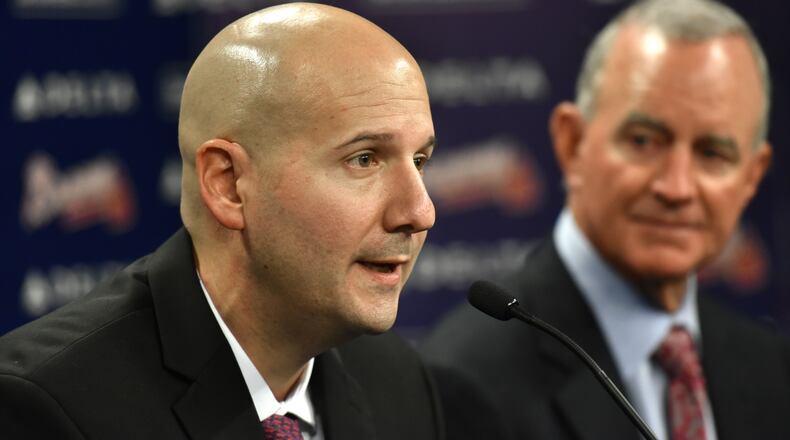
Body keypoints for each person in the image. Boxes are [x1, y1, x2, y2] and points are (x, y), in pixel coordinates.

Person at [0, 3, 443, 439]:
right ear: (228, 184)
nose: (420, 212)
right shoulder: (47, 407)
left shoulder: (400, 385)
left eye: (420, 159)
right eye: (364, 159)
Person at [423, 0, 790, 439]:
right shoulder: (463, 385)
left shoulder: (773, 368)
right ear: (572, 142)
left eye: (713, 153)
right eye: (643, 141)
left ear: (752, 177)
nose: (676, 187)